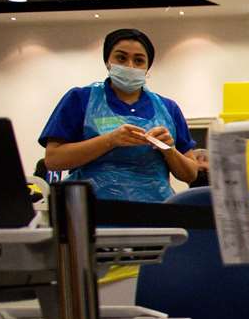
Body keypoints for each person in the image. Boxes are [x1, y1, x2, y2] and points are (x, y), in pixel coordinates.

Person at [39, 28, 199, 200]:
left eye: (139, 60)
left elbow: (190, 174)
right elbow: (53, 160)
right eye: (121, 58)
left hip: (154, 212)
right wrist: (109, 141)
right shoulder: (81, 99)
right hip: (95, 211)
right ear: (108, 61)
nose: (130, 66)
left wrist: (170, 150)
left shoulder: (168, 108)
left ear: (147, 67)